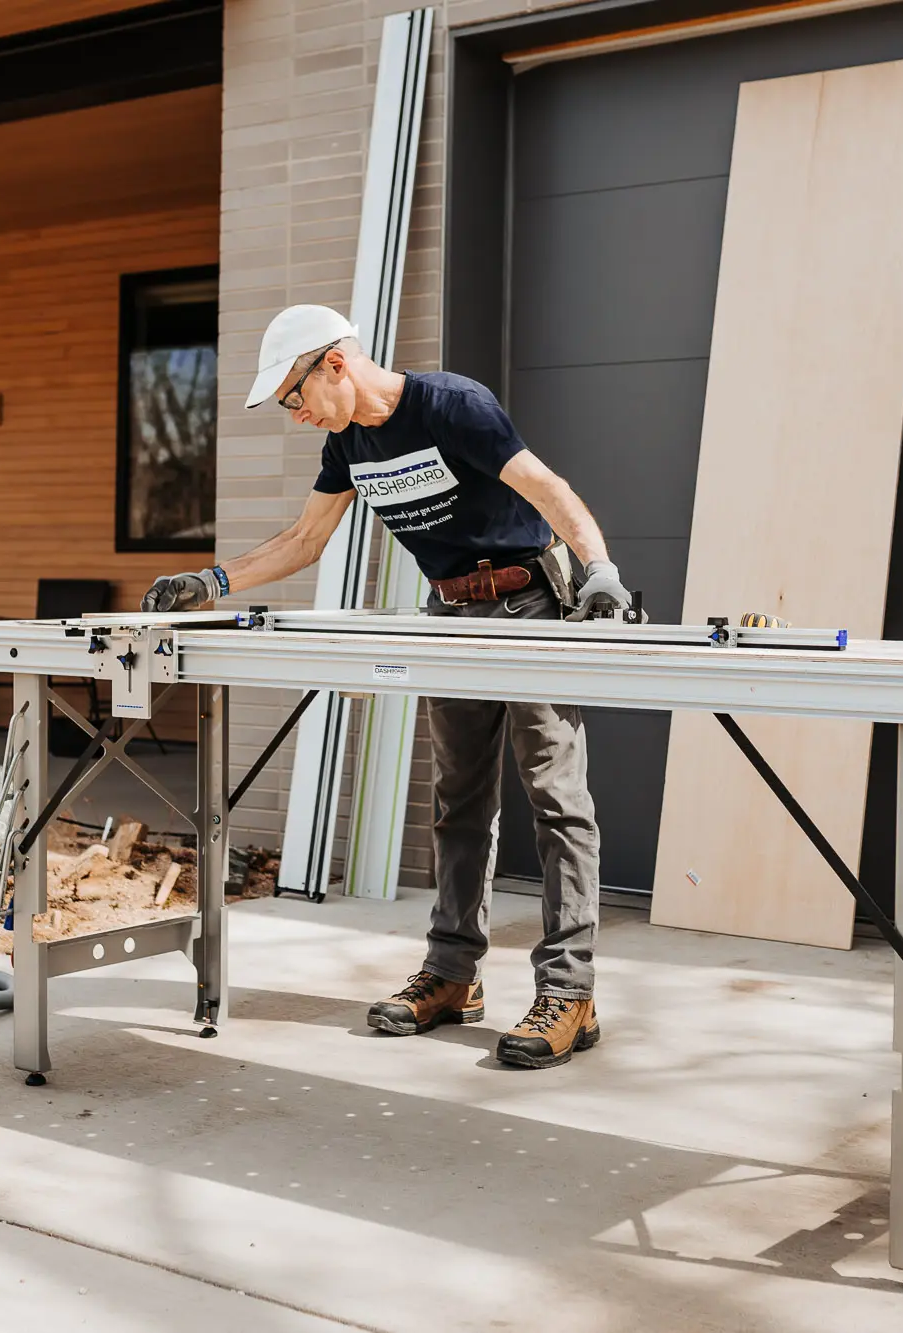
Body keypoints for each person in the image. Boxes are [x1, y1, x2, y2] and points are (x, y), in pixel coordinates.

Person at [143, 305, 633, 1068]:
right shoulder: (348, 444)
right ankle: (451, 975)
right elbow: (305, 541)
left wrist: (598, 567)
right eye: (285, 404)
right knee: (460, 803)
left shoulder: (452, 405)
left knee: (557, 799)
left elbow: (545, 487)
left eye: (294, 394)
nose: (295, 412)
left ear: (335, 363)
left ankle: (571, 992)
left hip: (530, 599)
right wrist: (209, 582)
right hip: (450, 615)